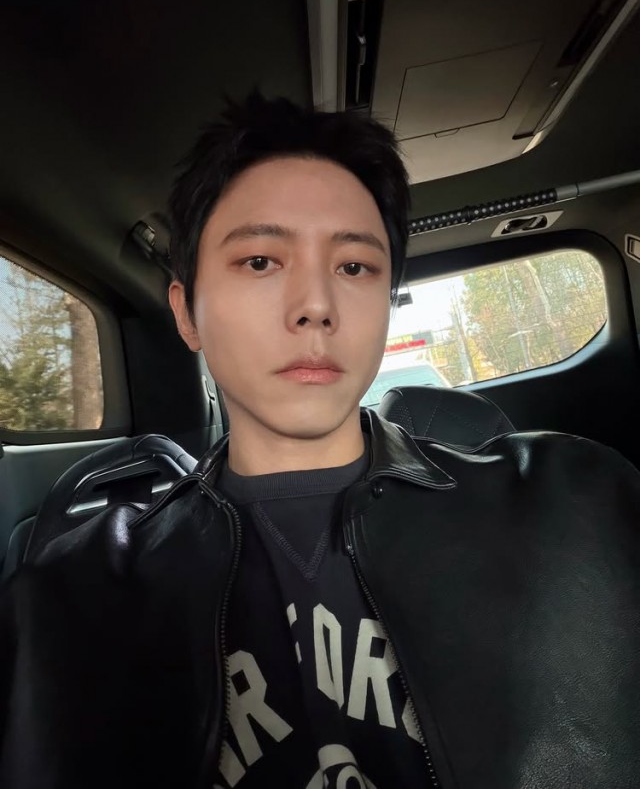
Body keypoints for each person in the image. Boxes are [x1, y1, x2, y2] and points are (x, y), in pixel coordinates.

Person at [1, 93, 639, 789]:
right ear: (187, 314)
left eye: (354, 267)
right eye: (260, 261)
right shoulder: (74, 598)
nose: (315, 305)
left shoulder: (578, 507)